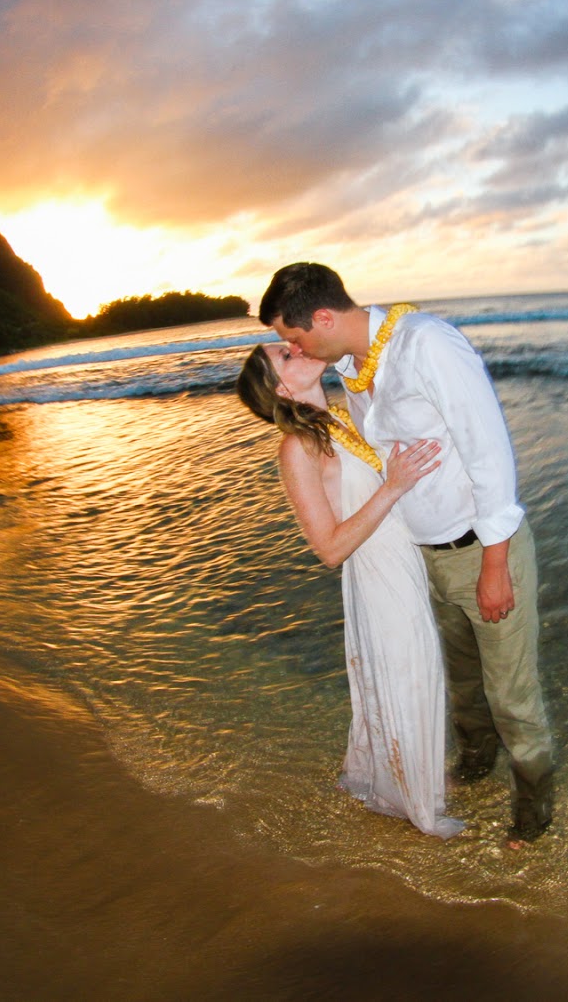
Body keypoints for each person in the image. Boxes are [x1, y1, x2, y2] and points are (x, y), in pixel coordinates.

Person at [257, 262, 555, 846]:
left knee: (512, 695)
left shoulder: (427, 346)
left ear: (322, 318)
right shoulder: (353, 370)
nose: (294, 348)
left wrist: (495, 564)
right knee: (464, 686)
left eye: (294, 339)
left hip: (479, 549)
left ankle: (533, 809)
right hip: (424, 558)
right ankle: (475, 767)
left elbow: (488, 447)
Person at [237, 341, 464, 839]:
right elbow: (329, 548)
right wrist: (395, 485)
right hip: (377, 573)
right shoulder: (296, 447)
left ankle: (399, 778)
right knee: (408, 672)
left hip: (401, 561)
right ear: (281, 387)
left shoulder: (335, 420)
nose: (297, 346)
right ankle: (416, 800)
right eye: (286, 355)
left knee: (412, 670)